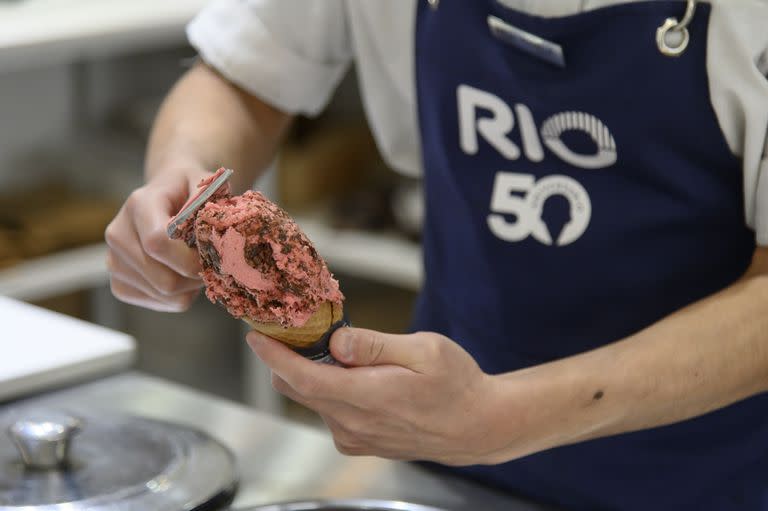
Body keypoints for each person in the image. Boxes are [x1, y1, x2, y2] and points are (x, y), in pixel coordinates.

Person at [104, 1, 768, 509]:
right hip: (445, 464)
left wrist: (511, 415)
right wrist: (181, 174)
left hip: (709, 476)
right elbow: (242, 75)